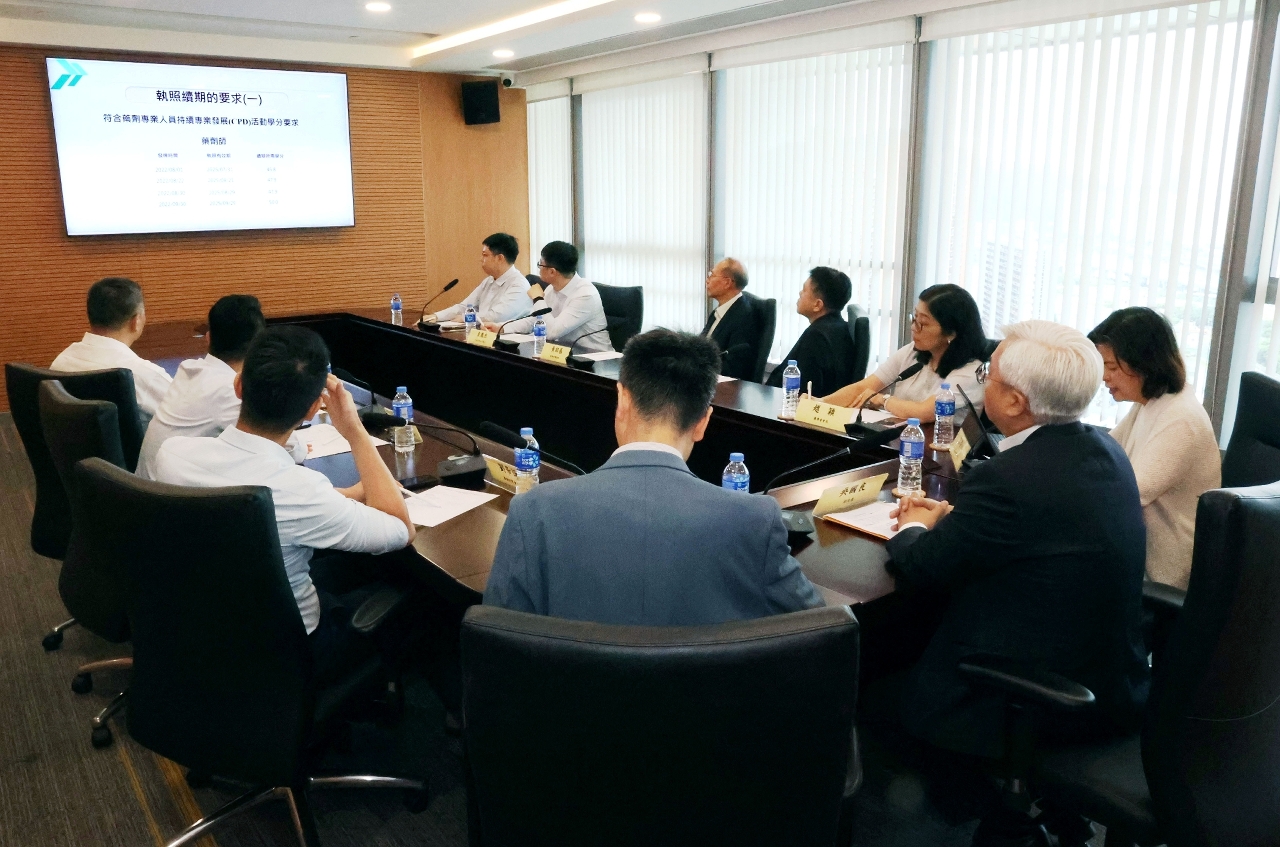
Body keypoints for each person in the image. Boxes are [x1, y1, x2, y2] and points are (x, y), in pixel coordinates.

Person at [883, 321, 1148, 828]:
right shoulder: (1105, 450)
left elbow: (922, 567)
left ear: (1014, 402)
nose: (982, 381)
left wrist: (914, 524)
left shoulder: (1007, 478)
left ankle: (945, 819)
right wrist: (958, 521)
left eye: (990, 375)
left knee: (879, 691)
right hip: (1109, 681)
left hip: (1032, 697)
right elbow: (1036, 534)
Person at [484, 328, 823, 624]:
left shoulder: (534, 511)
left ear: (622, 400)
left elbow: (498, 641)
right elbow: (821, 627)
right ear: (703, 422)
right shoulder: (754, 519)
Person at [153, 326, 416, 681]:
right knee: (414, 596)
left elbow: (272, 503)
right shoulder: (299, 490)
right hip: (288, 653)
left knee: (344, 569)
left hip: (197, 629)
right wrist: (354, 430)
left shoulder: (172, 455)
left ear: (238, 386)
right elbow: (401, 530)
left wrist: (350, 494)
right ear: (312, 409)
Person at [1088, 307, 1221, 589]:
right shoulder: (1150, 403)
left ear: (1144, 364)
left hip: (1162, 578)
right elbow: (1103, 451)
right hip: (1134, 555)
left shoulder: (1181, 418)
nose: (1104, 377)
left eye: (1112, 367)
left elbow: (1129, 494)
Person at [135, 295, 307, 480]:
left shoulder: (189, 370)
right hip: (171, 493)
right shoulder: (229, 390)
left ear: (208, 338)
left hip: (149, 489)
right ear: (258, 348)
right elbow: (293, 450)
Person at [822, 284, 987, 421]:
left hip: (936, 448)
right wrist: (818, 405)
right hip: (899, 439)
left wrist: (883, 400)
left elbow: (925, 412)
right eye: (914, 318)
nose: (914, 327)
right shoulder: (913, 352)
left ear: (951, 333)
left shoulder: (971, 373)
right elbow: (864, 388)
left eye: (923, 323)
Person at [51, 277, 173, 429]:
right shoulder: (144, 375)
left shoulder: (61, 361)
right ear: (136, 321)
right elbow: (188, 416)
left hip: (71, 443)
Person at [484, 241, 611, 353]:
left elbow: (551, 332)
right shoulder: (552, 288)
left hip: (596, 359)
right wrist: (501, 327)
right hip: (564, 354)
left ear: (552, 271)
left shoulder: (585, 295)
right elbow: (535, 320)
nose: (539, 268)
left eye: (540, 264)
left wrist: (538, 299)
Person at [766, 267, 858, 398]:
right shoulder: (839, 327)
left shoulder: (817, 336)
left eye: (804, 290)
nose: (800, 293)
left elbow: (803, 391)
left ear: (817, 305)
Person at [425, 233, 530, 325]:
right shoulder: (489, 281)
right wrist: (436, 316)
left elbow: (496, 317)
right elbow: (464, 307)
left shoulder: (519, 285)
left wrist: (466, 318)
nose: (481, 259)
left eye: (485, 255)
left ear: (499, 258)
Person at [701, 258, 762, 380]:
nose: (707, 280)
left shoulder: (743, 317)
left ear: (727, 282)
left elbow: (734, 366)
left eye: (711, 275)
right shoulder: (719, 311)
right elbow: (701, 345)